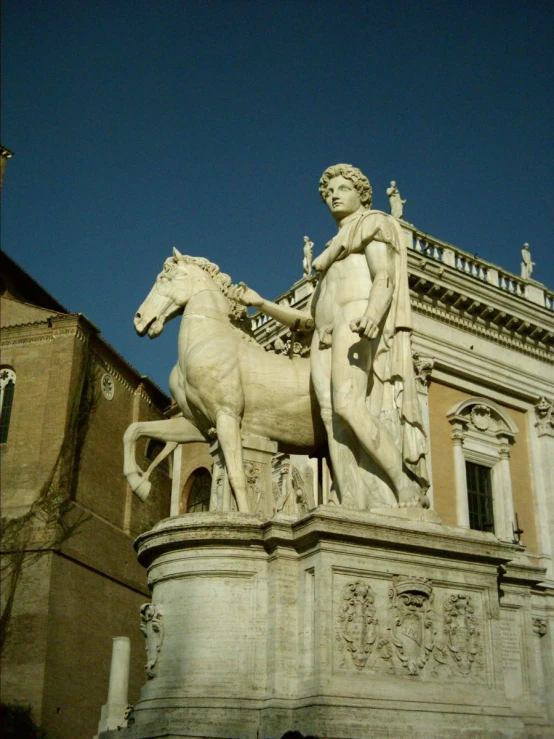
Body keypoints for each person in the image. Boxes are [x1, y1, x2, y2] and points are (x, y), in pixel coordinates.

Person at [237, 164, 428, 509]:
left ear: (361, 195)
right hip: (323, 334)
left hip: (355, 320)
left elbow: (383, 275)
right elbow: (307, 319)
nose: (333, 196)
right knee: (331, 418)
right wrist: (262, 303)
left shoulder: (370, 226)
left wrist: (373, 313)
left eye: (342, 189)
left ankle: (405, 485)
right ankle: (351, 496)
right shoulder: (330, 255)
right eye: (328, 193)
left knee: (347, 404)